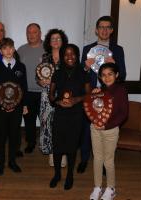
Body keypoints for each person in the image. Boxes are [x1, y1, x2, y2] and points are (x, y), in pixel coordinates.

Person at [78, 15, 127, 174]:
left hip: (110, 97)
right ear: (96, 30)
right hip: (91, 95)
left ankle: (106, 164)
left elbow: (123, 75)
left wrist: (115, 65)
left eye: (108, 27)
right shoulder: (87, 49)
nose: (104, 30)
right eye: (101, 27)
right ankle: (84, 159)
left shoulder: (118, 50)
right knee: (87, 128)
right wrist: (85, 67)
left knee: (107, 128)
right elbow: (80, 75)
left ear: (111, 30)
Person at [48, 44, 90, 190]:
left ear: (77, 56)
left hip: (76, 114)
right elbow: (51, 95)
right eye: (66, 54)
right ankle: (57, 174)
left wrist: (75, 100)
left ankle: (70, 175)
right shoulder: (57, 73)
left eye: (72, 54)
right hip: (60, 114)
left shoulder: (83, 73)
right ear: (61, 56)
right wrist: (57, 101)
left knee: (72, 148)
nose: (69, 57)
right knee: (58, 146)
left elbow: (88, 95)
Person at [89, 63, 128, 200]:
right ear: (100, 77)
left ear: (116, 75)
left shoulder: (121, 90)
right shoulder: (99, 90)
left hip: (110, 130)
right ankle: (97, 186)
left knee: (108, 160)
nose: (107, 77)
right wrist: (91, 96)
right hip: (95, 129)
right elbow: (92, 109)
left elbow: (123, 114)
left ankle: (111, 188)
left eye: (110, 74)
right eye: (103, 75)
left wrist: (106, 126)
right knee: (97, 158)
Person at [0, 38, 28, 175]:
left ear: (14, 49)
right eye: (4, 48)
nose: (8, 51)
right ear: (1, 51)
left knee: (14, 135)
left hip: (16, 108)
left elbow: (23, 87)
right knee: (1, 136)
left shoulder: (21, 67)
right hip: (1, 109)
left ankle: (12, 161)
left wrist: (23, 104)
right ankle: (0, 163)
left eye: (10, 48)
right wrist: (0, 104)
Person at [39, 29, 68, 167]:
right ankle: (51, 152)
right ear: (48, 42)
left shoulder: (68, 56)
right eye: (53, 39)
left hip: (63, 95)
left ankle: (62, 153)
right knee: (48, 124)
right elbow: (38, 76)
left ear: (63, 41)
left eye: (58, 38)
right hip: (47, 95)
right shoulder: (45, 57)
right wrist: (41, 82)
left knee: (62, 124)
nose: (56, 41)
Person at [17, 23, 44, 154]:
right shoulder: (21, 50)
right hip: (27, 92)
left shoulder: (48, 48)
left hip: (44, 92)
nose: (31, 35)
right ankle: (31, 143)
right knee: (29, 120)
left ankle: (45, 143)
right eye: (29, 32)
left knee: (45, 119)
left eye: (34, 32)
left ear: (40, 33)